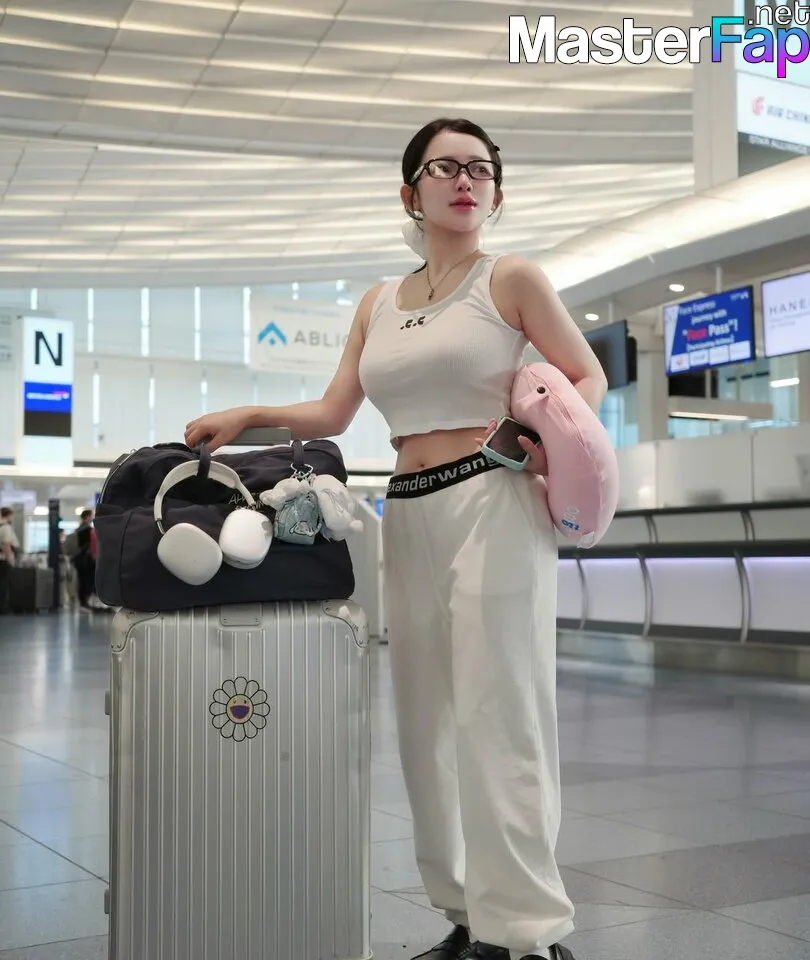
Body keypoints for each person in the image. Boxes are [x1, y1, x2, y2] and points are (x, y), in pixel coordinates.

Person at [185, 117, 607, 960]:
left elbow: (585, 374)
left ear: (496, 190)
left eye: (480, 168)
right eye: (445, 167)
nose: (465, 180)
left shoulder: (511, 278)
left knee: (500, 711)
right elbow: (335, 411)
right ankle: (466, 915)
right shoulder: (379, 301)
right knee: (425, 723)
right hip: (407, 509)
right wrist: (250, 413)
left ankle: (525, 933)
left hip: (492, 497)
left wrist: (538, 440)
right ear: (410, 190)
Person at [71, 509, 97, 612]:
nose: (92, 518)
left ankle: (84, 603)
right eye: (91, 516)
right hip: (85, 560)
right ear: (87, 516)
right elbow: (90, 546)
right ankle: (84, 603)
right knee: (85, 581)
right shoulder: (87, 530)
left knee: (82, 581)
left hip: (79, 559)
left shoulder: (78, 529)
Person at [0, 506, 20, 615]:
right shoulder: (6, 527)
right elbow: (6, 545)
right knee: (4, 584)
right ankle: (3, 608)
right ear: (8, 515)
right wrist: (10, 559)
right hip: (4, 560)